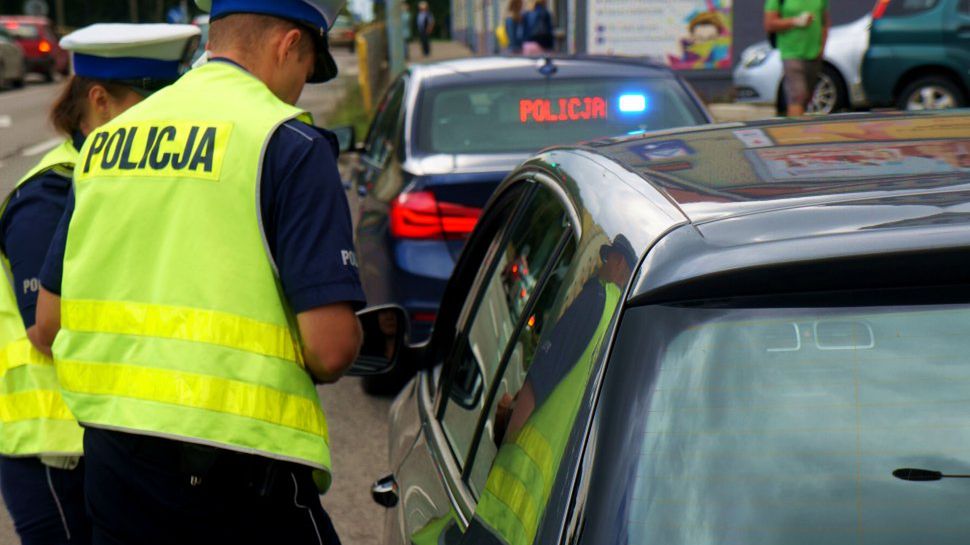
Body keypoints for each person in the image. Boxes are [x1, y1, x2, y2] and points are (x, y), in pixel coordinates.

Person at [33, 1, 366, 544]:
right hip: (238, 472)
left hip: (115, 467)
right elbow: (330, 349)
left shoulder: (105, 144)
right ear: (290, 45)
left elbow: (48, 321)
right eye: (307, 70)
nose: (301, 88)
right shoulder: (288, 142)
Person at [0, 23, 199, 545]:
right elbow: (45, 331)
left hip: (111, 437)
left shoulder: (123, 181)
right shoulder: (49, 192)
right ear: (101, 101)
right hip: (53, 445)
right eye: (151, 103)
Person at [764, 0, 829, 116]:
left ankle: (796, 125)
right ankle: (796, 131)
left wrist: (822, 47)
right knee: (797, 95)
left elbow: (824, 21)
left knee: (807, 96)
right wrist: (797, 21)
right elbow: (769, 24)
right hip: (791, 53)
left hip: (813, 53)